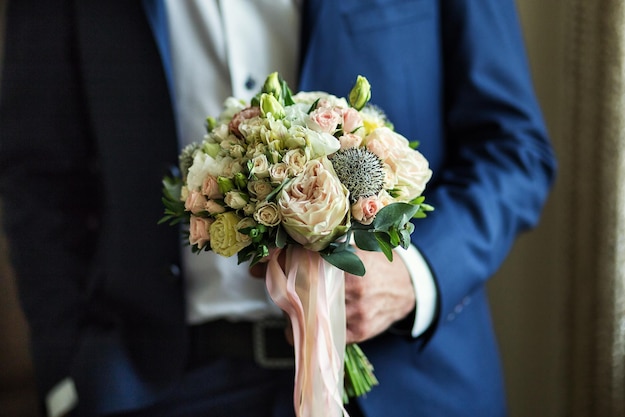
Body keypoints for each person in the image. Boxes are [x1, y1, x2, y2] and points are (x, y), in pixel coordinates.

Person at [0, 1, 556, 416]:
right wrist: (65, 371)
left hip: (404, 381)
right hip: (166, 382)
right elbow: (39, 176)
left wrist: (414, 274)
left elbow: (514, 149)